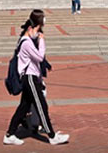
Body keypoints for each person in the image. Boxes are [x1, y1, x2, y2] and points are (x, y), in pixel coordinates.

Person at [4, 10, 70, 146]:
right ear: (30, 28)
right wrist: (42, 41)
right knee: (41, 106)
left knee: (23, 107)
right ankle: (51, 136)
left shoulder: (28, 41)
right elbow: (39, 57)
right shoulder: (26, 42)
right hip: (29, 78)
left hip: (32, 78)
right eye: (38, 30)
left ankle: (9, 134)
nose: (39, 33)